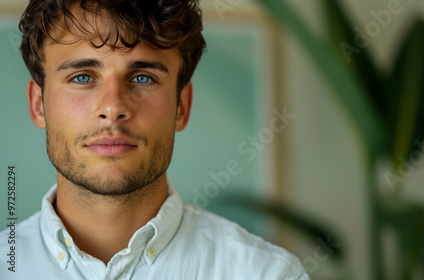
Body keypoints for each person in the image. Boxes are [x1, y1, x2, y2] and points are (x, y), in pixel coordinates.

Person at [0, 0, 309, 279]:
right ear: (38, 104)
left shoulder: (268, 274)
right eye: (82, 77)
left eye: (142, 78)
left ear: (181, 107)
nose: (113, 108)